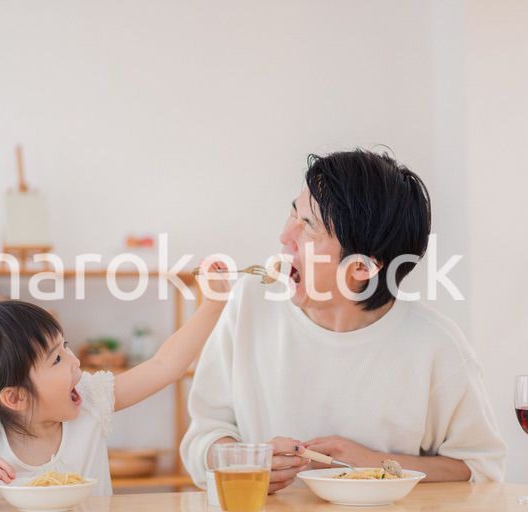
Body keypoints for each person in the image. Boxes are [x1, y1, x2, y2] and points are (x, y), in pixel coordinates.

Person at [180, 149, 506, 493]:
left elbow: (480, 468)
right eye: (294, 211)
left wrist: (374, 464)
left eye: (309, 227)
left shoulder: (436, 346)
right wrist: (244, 460)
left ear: (362, 267)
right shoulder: (248, 303)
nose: (285, 236)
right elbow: (202, 439)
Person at [0, 264, 227, 503]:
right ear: (14, 397)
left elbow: (165, 366)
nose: (75, 362)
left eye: (66, 347)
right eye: (57, 359)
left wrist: (213, 304)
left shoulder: (90, 401)